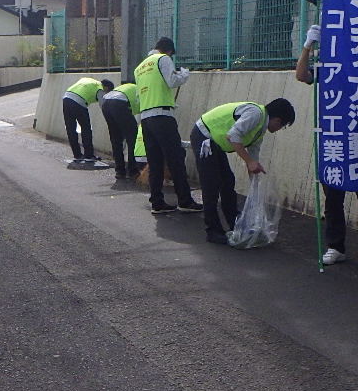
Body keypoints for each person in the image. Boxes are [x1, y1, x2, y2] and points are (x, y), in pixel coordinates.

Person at [297, 25, 358, 267]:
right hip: (335, 138)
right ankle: (335, 246)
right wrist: (308, 46)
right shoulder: (329, 65)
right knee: (333, 196)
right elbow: (301, 76)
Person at [190, 99, 296, 244]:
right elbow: (232, 136)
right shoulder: (255, 114)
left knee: (228, 181)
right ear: (277, 120)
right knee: (211, 185)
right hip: (204, 137)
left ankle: (235, 223)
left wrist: (254, 178)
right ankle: (213, 231)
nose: (279, 129)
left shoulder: (260, 128)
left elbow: (253, 153)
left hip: (216, 143)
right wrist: (250, 162)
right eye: (282, 126)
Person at [134, 37, 202, 214]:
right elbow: (172, 81)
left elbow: (138, 96)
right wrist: (184, 75)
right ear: (169, 50)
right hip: (163, 116)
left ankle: (157, 202)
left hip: (146, 118)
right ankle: (185, 201)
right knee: (176, 159)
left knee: (155, 162)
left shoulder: (140, 67)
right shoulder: (163, 59)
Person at [100, 77, 141, 179]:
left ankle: (120, 171)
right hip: (119, 103)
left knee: (116, 139)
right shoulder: (141, 90)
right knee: (133, 138)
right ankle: (133, 171)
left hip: (106, 103)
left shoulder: (126, 87)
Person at [62, 75, 103, 164]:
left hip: (66, 98)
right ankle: (88, 155)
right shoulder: (100, 88)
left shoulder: (87, 80)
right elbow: (103, 106)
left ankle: (77, 155)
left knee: (71, 128)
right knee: (86, 128)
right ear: (106, 87)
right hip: (78, 101)